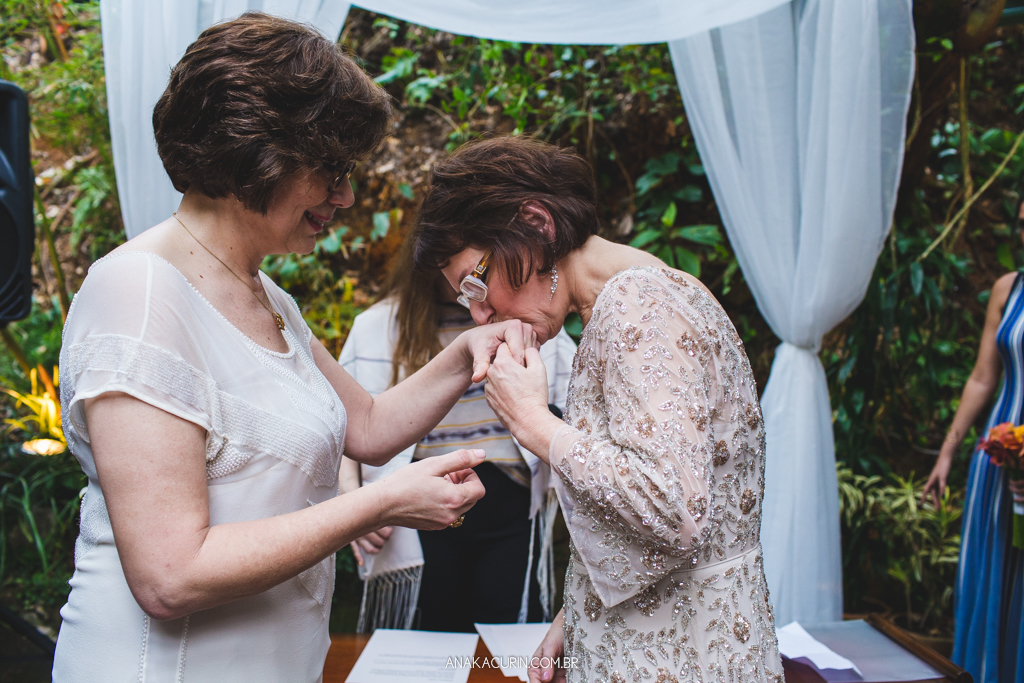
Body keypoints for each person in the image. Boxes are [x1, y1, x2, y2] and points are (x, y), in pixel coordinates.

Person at [52, 14, 536, 682]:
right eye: (330, 170)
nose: (345, 194)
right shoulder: (136, 292)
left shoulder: (267, 296)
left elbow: (364, 425)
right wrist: (380, 502)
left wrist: (468, 350)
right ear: (257, 152)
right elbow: (169, 573)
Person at [412, 136, 782, 683]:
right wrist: (579, 607)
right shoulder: (632, 300)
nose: (480, 313)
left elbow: (673, 509)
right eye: (465, 298)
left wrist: (532, 422)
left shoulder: (639, 305)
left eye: (476, 282)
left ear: (536, 223)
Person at [338, 240, 576, 632]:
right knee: (432, 638)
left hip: (508, 507)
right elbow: (349, 421)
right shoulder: (379, 326)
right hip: (418, 507)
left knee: (508, 641)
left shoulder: (520, 315)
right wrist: (354, 499)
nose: (462, 292)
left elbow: (571, 397)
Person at [925, 197, 1024, 681]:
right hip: (999, 454)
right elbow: (983, 378)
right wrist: (948, 451)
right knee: (992, 573)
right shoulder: (1008, 289)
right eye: (1023, 224)